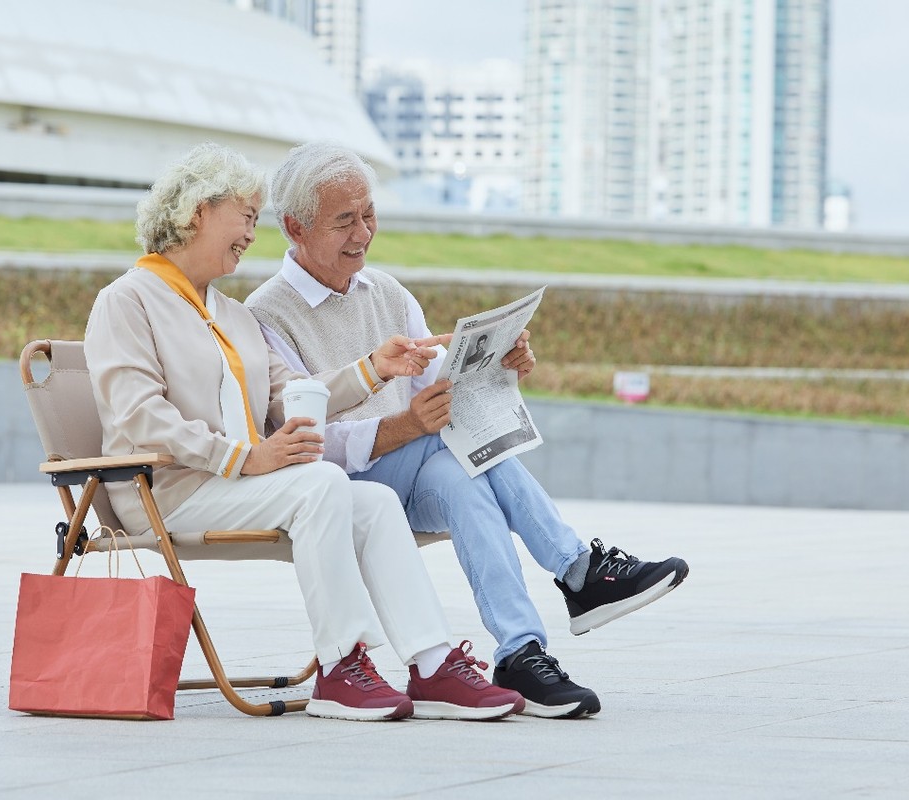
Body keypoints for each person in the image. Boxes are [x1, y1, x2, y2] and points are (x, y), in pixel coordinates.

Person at [246, 142, 690, 720]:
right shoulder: (266, 314)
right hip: (340, 491)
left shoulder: (387, 293)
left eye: (370, 214)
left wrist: (500, 365)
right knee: (448, 450)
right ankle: (579, 573)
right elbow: (300, 441)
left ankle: (521, 652)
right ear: (295, 227)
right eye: (344, 221)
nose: (364, 232)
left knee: (462, 473)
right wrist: (405, 426)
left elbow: (445, 388)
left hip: (417, 476)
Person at [84, 142, 524, 722]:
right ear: (198, 212)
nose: (251, 234)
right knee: (320, 484)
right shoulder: (127, 301)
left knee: (373, 501)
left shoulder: (231, 314)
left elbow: (294, 394)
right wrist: (244, 456)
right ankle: (342, 666)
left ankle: (432, 663)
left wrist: (375, 367)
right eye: (243, 217)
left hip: (233, 485)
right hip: (167, 492)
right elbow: (140, 416)